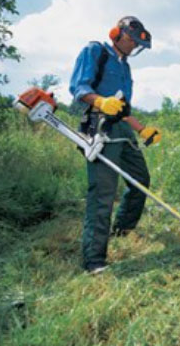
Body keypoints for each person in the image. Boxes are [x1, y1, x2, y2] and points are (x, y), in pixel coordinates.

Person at [69, 16, 161, 274]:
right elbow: (78, 88)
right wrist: (100, 101)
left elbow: (122, 109)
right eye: (131, 40)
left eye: (136, 44)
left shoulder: (126, 68)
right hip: (98, 125)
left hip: (121, 128)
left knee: (140, 180)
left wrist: (143, 130)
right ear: (116, 34)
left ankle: (122, 230)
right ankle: (94, 260)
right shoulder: (95, 51)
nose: (133, 46)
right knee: (103, 193)